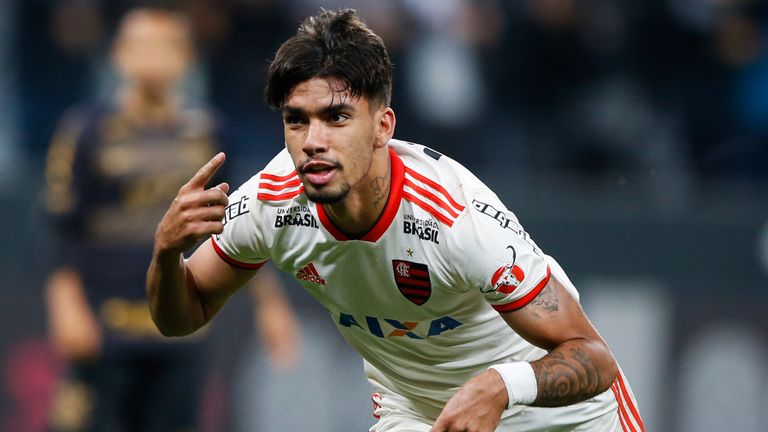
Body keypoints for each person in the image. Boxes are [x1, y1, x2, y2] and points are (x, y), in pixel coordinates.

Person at [147, 9, 644, 432]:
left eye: (337, 117)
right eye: (296, 120)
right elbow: (181, 316)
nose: (313, 140)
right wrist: (167, 253)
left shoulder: (454, 218)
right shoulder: (270, 203)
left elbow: (594, 357)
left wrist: (500, 386)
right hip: (419, 414)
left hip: (560, 419)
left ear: (383, 125)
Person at [43, 8, 298, 431]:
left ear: (187, 59)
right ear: (119, 55)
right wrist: (64, 304)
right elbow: (61, 223)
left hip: (177, 329)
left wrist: (271, 306)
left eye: (165, 47)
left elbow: (241, 223)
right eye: (141, 46)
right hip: (102, 324)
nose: (153, 58)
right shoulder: (86, 130)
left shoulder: (207, 132)